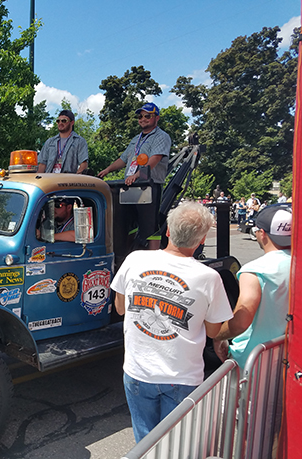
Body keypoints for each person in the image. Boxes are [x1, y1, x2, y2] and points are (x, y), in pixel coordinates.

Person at [111, 201, 233, 442]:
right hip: (182, 377)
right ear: (201, 240)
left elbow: (120, 308)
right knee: (175, 444)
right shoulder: (209, 277)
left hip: (138, 372)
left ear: (167, 231)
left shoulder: (135, 259)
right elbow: (213, 331)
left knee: (145, 442)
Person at [213, 204, 292, 367]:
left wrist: (218, 336)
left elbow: (242, 321)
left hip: (255, 360)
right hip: (291, 356)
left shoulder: (255, 270)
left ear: (261, 233)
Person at [98, 103, 172, 252]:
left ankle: (153, 258)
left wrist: (137, 175)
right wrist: (107, 170)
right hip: (129, 187)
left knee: (150, 226)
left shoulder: (161, 136)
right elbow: (124, 159)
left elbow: (155, 159)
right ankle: (127, 256)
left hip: (149, 186)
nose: (143, 119)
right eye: (140, 116)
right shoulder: (135, 139)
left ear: (156, 118)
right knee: (127, 224)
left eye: (147, 116)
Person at [38, 110, 88, 174]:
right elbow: (42, 164)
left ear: (72, 123)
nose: (60, 123)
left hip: (68, 181)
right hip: (50, 180)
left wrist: (75, 180)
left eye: (64, 121)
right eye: (58, 121)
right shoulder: (50, 142)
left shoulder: (79, 141)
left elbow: (84, 164)